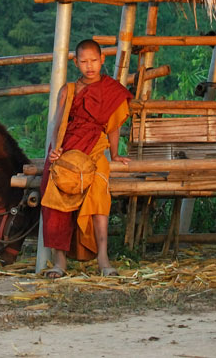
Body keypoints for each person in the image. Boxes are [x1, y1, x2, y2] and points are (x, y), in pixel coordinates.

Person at [39, 39, 132, 278]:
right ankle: (60, 262)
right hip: (68, 145)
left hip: (94, 147)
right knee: (53, 191)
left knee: (99, 191)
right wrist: (56, 150)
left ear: (102, 60)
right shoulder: (69, 90)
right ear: (75, 62)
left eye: (93, 60)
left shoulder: (111, 89)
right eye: (83, 61)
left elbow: (112, 127)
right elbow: (59, 122)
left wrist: (116, 153)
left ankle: (103, 257)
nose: (89, 66)